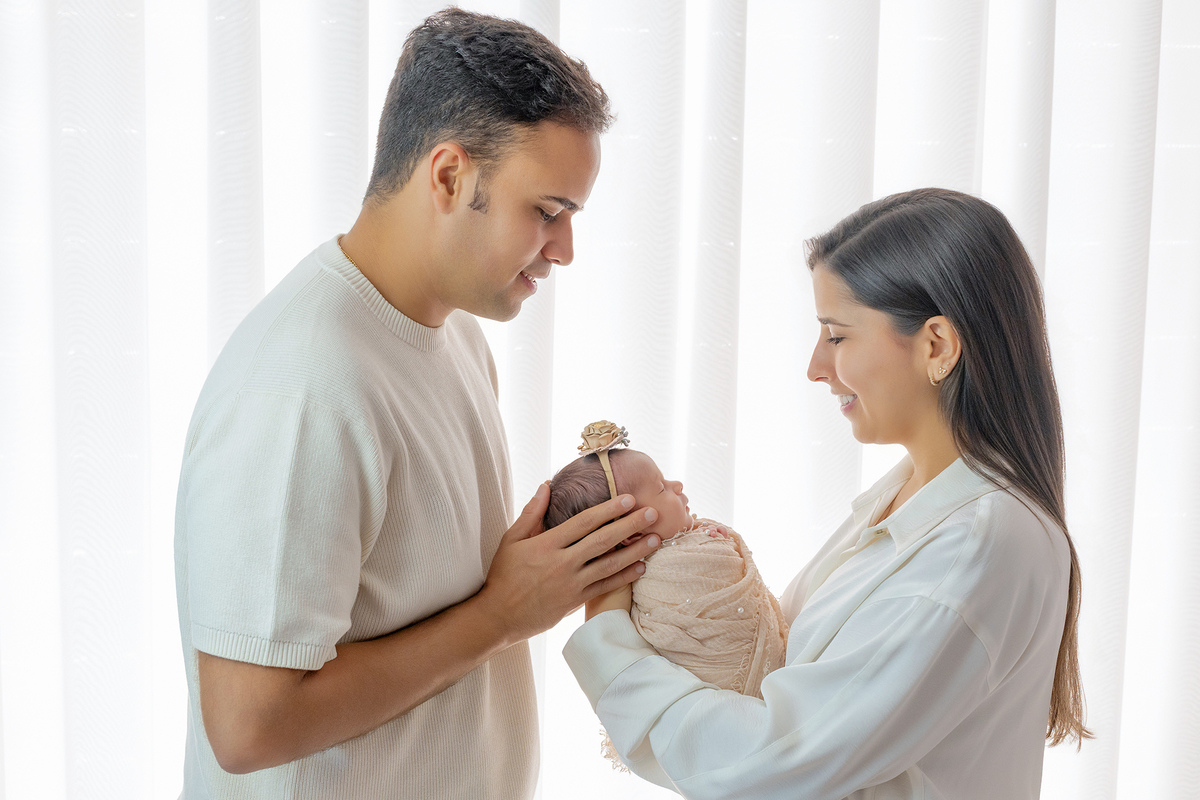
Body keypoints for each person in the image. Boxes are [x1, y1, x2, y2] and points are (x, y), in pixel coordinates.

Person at [173, 10, 662, 799]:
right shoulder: (303, 385)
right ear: (448, 176)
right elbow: (247, 726)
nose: (565, 249)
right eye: (546, 212)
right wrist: (502, 616)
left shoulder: (453, 336)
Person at [564, 188, 1092, 799]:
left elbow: (770, 763)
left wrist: (607, 627)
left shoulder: (979, 545)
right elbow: (778, 674)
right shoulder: (908, 500)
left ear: (937, 346)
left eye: (836, 336)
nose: (816, 366)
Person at [544, 422, 789, 704]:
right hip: (725, 700)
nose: (677, 486)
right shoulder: (660, 573)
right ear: (631, 533)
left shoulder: (690, 540)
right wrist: (717, 546)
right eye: (661, 488)